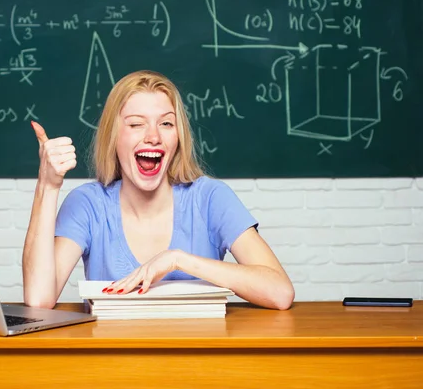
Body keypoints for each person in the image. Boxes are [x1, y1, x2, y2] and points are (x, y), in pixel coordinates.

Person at [23, 70, 295, 311]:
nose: (153, 136)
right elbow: (39, 299)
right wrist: (47, 186)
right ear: (113, 136)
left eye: (166, 123)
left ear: (178, 136)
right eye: (136, 124)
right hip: (113, 361)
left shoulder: (211, 198)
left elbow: (280, 293)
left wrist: (178, 260)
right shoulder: (87, 204)